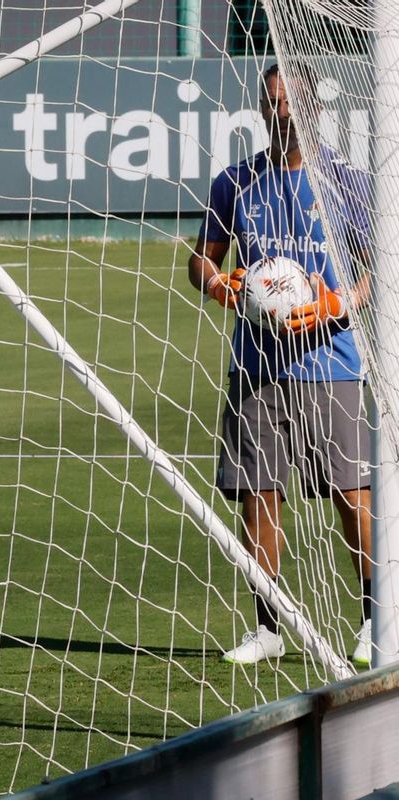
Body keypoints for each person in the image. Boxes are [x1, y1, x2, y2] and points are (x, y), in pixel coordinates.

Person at [187, 63, 374, 666]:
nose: (281, 113)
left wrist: (335, 302)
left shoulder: (351, 184)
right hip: (257, 367)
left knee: (352, 493)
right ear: (261, 110)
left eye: (291, 103)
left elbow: (378, 271)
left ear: (315, 109)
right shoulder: (235, 183)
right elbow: (202, 259)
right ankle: (266, 627)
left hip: (333, 362)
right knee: (258, 495)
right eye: (271, 103)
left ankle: (376, 619)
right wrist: (221, 286)